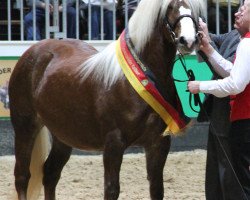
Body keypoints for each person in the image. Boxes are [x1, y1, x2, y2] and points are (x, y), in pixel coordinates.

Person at [188, 0, 250, 198]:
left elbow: (234, 83)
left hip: (241, 117)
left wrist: (201, 86)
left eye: (243, 9)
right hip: (237, 117)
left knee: (238, 180)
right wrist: (206, 44)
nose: (237, 13)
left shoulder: (246, 43)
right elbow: (232, 71)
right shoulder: (238, 37)